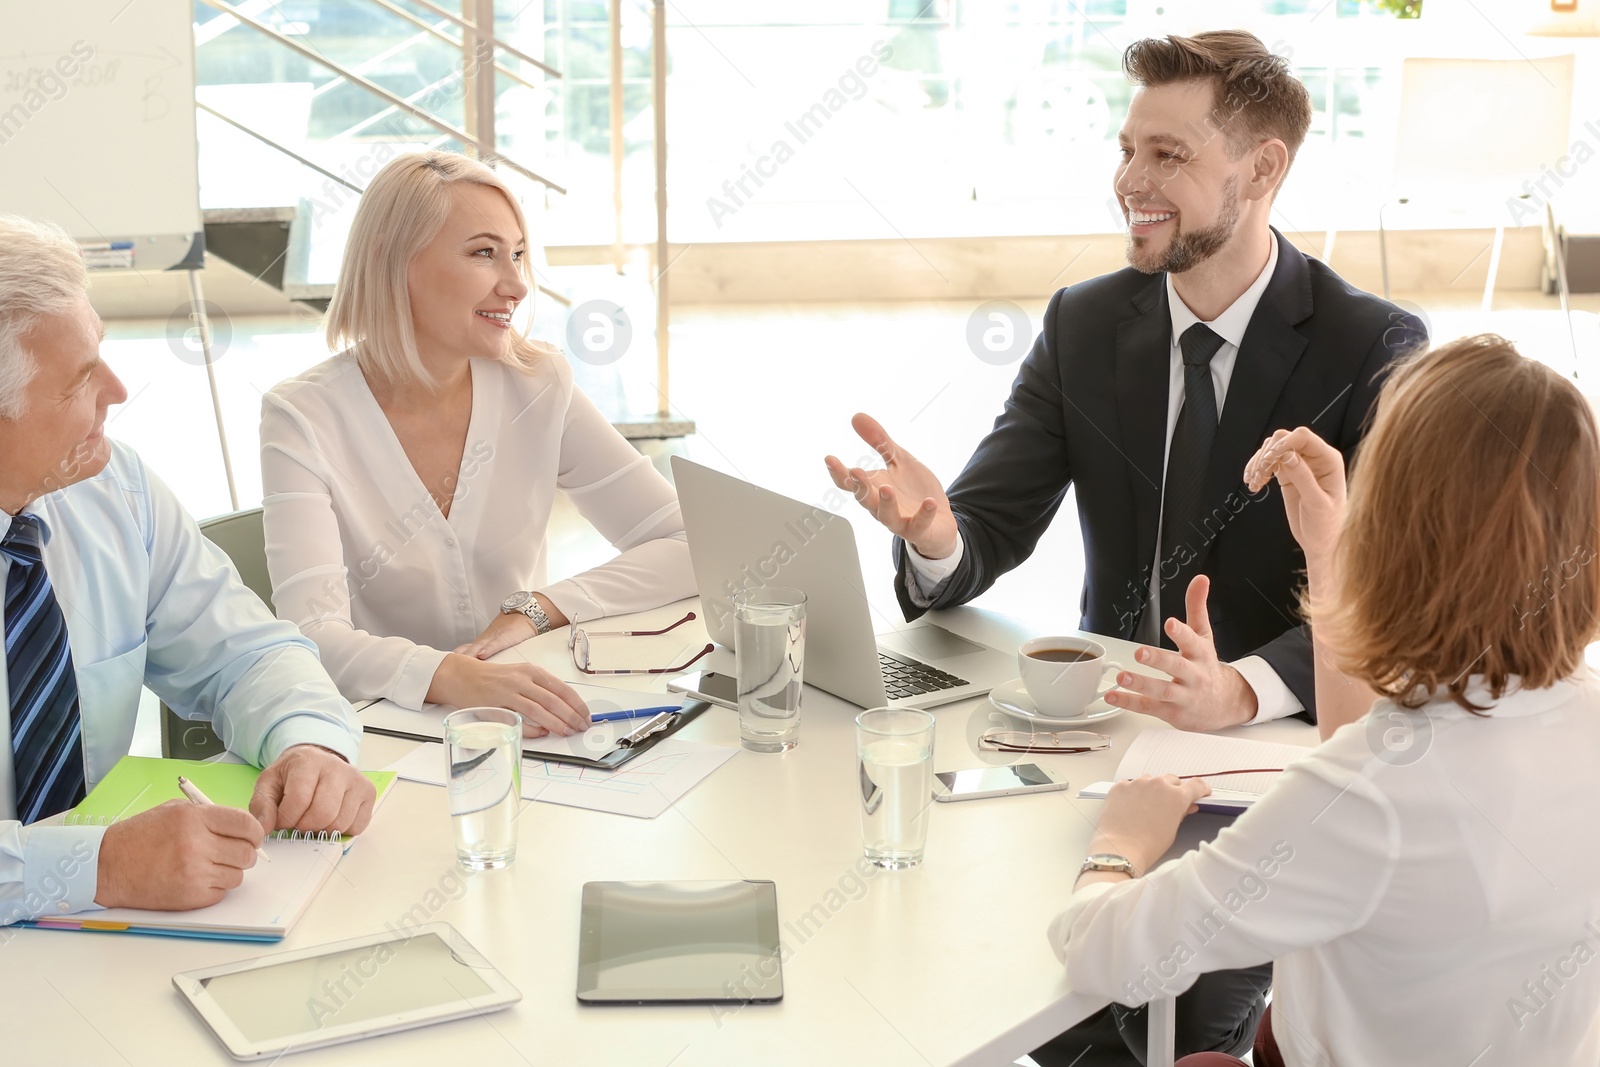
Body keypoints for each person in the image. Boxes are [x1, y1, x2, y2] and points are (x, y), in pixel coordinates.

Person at [825, 29, 1424, 1066]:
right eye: (1126, 148)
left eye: (1168, 155)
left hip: (1264, 766)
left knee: (1173, 1011)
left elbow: (1388, 595)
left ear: (1263, 167)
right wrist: (932, 532)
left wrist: (1237, 686)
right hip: (1097, 750)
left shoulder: (1371, 346)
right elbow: (984, 533)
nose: (1129, 182)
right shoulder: (1087, 320)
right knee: (1003, 979)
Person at [1054, 333, 1600, 1066]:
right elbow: (1367, 748)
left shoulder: (1371, 798)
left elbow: (1103, 952)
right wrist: (1325, 551)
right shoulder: (1563, 719)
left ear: (1393, 533)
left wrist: (1119, 845)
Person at [0, 215, 374, 926]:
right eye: (80, 380)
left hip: (103, 946)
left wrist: (309, 742)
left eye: (100, 354)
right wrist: (95, 864)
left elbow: (245, 654)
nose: (116, 389)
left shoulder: (114, 492)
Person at [260, 151, 697, 736]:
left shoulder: (539, 384)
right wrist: (451, 675)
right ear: (396, 264)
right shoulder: (302, 416)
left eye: (517, 254)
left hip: (524, 723)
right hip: (383, 732)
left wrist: (538, 610)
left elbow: (689, 541)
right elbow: (310, 634)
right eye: (483, 253)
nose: (516, 284)